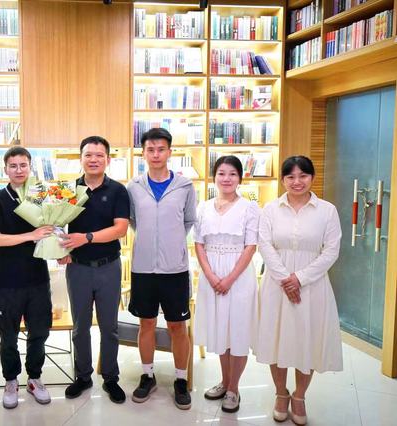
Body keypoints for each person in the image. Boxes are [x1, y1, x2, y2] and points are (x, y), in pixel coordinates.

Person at [257, 155, 342, 425]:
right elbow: (265, 245)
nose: (297, 181)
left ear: (312, 177)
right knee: (276, 338)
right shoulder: (270, 209)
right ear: (283, 180)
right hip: (276, 284)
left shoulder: (327, 211)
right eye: (291, 176)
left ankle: (300, 396)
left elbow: (331, 251)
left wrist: (300, 279)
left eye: (303, 176)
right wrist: (286, 279)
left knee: (309, 340)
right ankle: (281, 394)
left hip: (313, 286)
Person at [126, 128, 197, 410]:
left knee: (178, 326)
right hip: (143, 268)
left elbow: (188, 221)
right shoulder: (133, 186)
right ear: (143, 153)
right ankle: (148, 375)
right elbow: (133, 221)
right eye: (150, 150)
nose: (156, 154)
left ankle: (180, 379)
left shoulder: (184, 186)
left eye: (161, 149)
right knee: (146, 323)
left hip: (174, 269)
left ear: (170, 152)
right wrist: (150, 241)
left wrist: (170, 243)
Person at [59, 136, 130, 404]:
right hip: (77, 268)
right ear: (81, 159)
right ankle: (83, 376)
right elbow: (56, 224)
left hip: (108, 267)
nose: (93, 159)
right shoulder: (68, 190)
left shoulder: (118, 191)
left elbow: (120, 229)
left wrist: (86, 238)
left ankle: (110, 378)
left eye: (99, 155)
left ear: (108, 160)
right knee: (80, 327)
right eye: (88, 155)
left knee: (109, 327)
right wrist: (60, 249)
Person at [0, 147, 54, 409]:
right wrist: (30, 236)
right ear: (5, 170)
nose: (18, 170)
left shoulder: (40, 196)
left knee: (40, 332)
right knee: (8, 336)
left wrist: (60, 244)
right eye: (13, 166)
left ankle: (34, 378)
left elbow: (53, 227)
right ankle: (11, 380)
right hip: (8, 281)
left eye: (23, 165)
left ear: (30, 167)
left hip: (38, 279)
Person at [193, 155, 260, 413]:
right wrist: (210, 276)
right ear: (214, 177)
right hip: (211, 275)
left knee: (238, 331)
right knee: (221, 331)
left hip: (238, 277)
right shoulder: (203, 207)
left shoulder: (249, 208)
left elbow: (251, 246)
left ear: (240, 178)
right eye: (221, 173)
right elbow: (199, 244)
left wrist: (229, 279)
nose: (227, 178)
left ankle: (234, 388)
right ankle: (224, 381)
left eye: (232, 173)